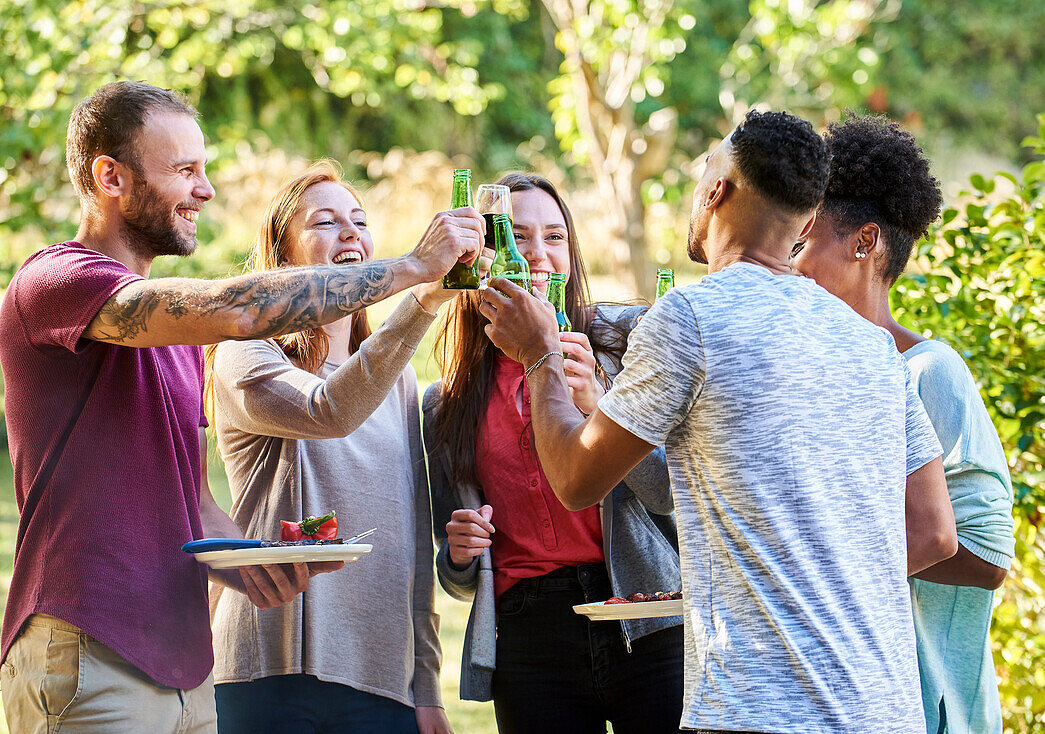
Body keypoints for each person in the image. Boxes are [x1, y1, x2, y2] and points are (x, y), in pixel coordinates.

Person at [0, 81, 481, 733]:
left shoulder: (174, 340)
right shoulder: (57, 281)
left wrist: (251, 558)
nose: (207, 190)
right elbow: (238, 310)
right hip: (91, 649)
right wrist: (418, 269)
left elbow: (187, 495)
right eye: (185, 170)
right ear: (110, 176)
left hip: (184, 667)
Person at [475, 110, 959, 733]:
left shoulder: (691, 318)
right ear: (807, 223)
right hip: (885, 709)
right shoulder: (870, 343)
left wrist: (540, 355)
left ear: (715, 192)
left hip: (760, 712)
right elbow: (934, 531)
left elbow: (575, 480)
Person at [207, 161, 468, 734]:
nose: (351, 233)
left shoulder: (395, 378)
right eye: (324, 222)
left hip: (382, 677)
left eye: (359, 220)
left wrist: (426, 684)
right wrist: (422, 301)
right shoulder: (246, 353)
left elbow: (411, 539)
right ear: (284, 259)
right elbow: (329, 409)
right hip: (271, 671)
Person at [423, 172, 684, 733]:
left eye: (555, 236)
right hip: (529, 636)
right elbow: (455, 574)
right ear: (480, 255)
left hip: (643, 613)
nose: (537, 255)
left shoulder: (626, 343)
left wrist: (602, 406)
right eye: (514, 237)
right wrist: (462, 552)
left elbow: (672, 494)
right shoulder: (447, 403)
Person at [790, 114, 1015, 734]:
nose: (788, 267)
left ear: (865, 242)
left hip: (929, 707)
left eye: (802, 244)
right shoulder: (807, 383)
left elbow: (987, 557)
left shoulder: (928, 373)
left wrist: (834, 555)